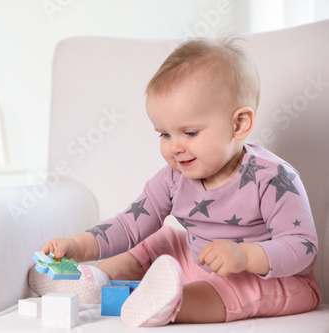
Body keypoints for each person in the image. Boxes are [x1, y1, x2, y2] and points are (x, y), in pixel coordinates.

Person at [30, 36, 321, 327]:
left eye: (190, 133)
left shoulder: (273, 178)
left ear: (239, 124)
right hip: (198, 263)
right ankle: (96, 282)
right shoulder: (172, 179)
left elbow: (303, 248)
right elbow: (129, 225)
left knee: (232, 286)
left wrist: (245, 256)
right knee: (158, 240)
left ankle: (166, 305)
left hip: (269, 277)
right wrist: (79, 245)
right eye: (165, 134)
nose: (174, 147)